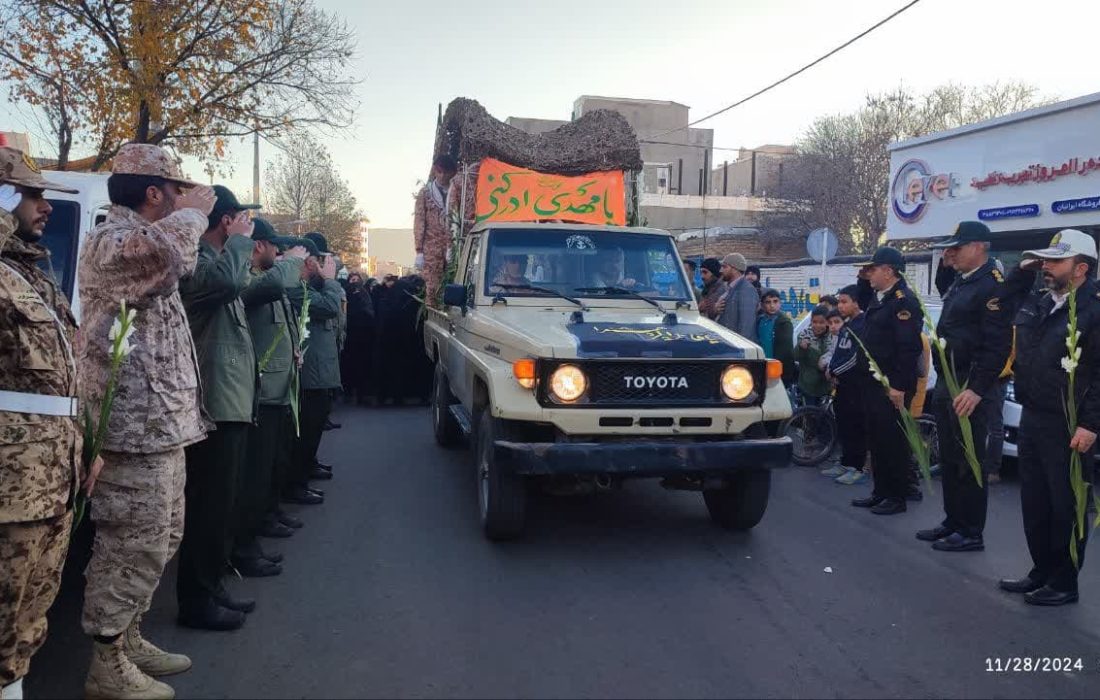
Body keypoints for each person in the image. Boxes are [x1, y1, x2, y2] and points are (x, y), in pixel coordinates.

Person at [78, 143, 216, 699]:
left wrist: (189, 218)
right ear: (154, 192)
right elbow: (164, 257)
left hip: (160, 426)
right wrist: (196, 214)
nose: (186, 199)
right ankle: (106, 660)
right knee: (130, 541)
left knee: (160, 536)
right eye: (177, 190)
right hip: (130, 432)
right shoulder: (112, 242)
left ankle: (128, 635)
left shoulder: (150, 239)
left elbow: (178, 262)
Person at [0, 150, 89, 700]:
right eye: (30, 194)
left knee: (27, 625)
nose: (45, 206)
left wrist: (83, 451)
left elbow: (63, 378)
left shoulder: (31, 275)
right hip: (10, 488)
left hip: (49, 478)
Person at [998, 229, 1100, 606]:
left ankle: (1064, 582)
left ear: (1081, 269)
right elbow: (1001, 302)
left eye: (1056, 261)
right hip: (1034, 416)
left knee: (1067, 505)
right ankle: (1041, 570)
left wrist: (1090, 423)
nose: (1046, 267)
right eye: (1044, 260)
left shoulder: (1094, 309)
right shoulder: (1042, 301)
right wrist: (1021, 271)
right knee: (1036, 503)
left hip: (1069, 425)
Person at [175, 185, 260, 631]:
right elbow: (225, 284)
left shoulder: (221, 261)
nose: (246, 227)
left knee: (221, 504)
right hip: (213, 400)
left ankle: (213, 585)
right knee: (207, 505)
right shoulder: (199, 261)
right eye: (240, 220)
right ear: (226, 221)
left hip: (230, 399)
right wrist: (243, 243)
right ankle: (196, 599)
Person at [914, 222, 1012, 553]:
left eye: (959, 247)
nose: (951, 253)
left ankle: (971, 530)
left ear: (979, 247)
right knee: (952, 455)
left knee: (971, 458)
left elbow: (997, 346)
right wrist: (947, 261)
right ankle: (953, 520)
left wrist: (978, 388)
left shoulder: (992, 286)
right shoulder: (962, 280)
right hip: (949, 380)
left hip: (970, 385)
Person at [234, 221, 308, 578]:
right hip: (259, 391)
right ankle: (244, 547)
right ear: (259, 245)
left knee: (266, 470)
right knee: (253, 476)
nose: (279, 254)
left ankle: (255, 535)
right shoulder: (249, 276)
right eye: (275, 249)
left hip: (275, 387)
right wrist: (292, 262)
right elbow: (277, 284)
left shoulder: (262, 275)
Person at [849, 247, 923, 516]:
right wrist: (862, 278)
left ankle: (897, 495)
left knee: (894, 442)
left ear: (888, 271)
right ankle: (880, 491)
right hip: (873, 382)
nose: (870, 275)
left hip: (892, 384)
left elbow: (908, 349)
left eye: (874, 269)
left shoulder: (904, 302)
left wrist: (899, 387)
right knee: (877, 440)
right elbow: (863, 296)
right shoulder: (882, 298)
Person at [286, 234, 343, 502]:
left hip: (319, 369)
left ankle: (304, 473)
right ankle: (296, 483)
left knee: (313, 427)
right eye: (318, 260)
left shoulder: (309, 286)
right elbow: (330, 307)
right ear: (308, 261)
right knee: (305, 432)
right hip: (310, 372)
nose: (322, 265)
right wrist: (330, 280)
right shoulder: (297, 287)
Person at [829, 285, 869, 486]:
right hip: (842, 384)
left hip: (855, 385)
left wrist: (836, 371)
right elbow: (838, 352)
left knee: (856, 426)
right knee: (843, 424)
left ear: (856, 302)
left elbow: (855, 357)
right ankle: (846, 462)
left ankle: (858, 467)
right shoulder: (847, 324)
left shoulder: (862, 324)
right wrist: (830, 368)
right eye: (839, 302)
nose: (840, 306)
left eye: (844, 302)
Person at [414, 154, 458, 306]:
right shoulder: (426, 193)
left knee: (452, 285)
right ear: (435, 171)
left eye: (446, 172)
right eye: (439, 172)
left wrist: (452, 246)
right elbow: (419, 221)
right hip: (431, 248)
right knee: (432, 288)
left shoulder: (456, 191)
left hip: (453, 246)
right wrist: (419, 251)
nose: (442, 176)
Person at [342, 271, 376, 405]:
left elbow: (369, 310)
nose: (354, 282)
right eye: (352, 280)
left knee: (363, 365)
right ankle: (349, 392)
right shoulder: (346, 294)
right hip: (349, 335)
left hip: (364, 336)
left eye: (356, 279)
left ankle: (362, 394)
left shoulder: (364, 294)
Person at [794, 305, 832, 407]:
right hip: (808, 385)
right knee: (809, 415)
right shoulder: (804, 335)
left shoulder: (832, 336)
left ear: (827, 322)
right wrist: (801, 348)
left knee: (824, 416)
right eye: (815, 322)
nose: (818, 325)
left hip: (826, 386)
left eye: (821, 322)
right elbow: (796, 357)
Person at [756, 288, 796, 386]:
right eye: (768, 302)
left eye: (775, 301)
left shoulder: (784, 322)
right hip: (762, 366)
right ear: (762, 305)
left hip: (777, 369)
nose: (772, 305)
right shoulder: (760, 320)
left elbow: (785, 351)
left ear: (780, 303)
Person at [715, 253, 758, 342]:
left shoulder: (746, 290)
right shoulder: (729, 288)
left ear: (735, 269)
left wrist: (739, 351)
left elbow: (746, 327)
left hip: (736, 349)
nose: (721, 270)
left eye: (724, 267)